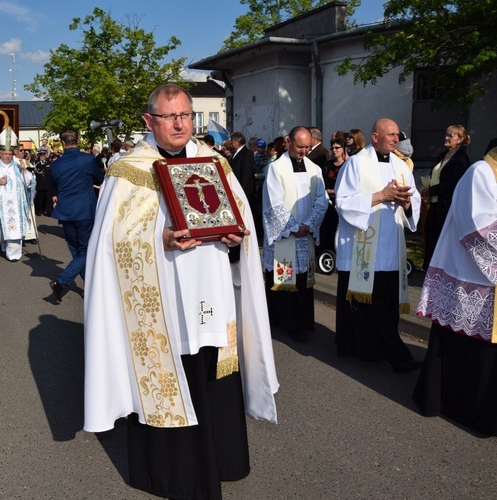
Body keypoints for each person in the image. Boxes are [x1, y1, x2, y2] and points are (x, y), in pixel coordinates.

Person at [83, 84, 278, 499]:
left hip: (212, 293)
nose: (179, 124)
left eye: (186, 115)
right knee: (175, 374)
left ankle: (223, 460)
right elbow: (111, 245)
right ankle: (175, 475)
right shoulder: (128, 170)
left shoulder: (214, 162)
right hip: (166, 306)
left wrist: (235, 238)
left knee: (214, 377)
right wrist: (162, 239)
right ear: (148, 121)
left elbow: (240, 220)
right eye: (170, 116)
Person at [413, 147, 497, 436]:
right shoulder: (480, 172)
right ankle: (461, 407)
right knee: (470, 347)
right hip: (471, 275)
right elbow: (479, 226)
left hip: (484, 279)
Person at [334, 118, 421, 373]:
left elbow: (413, 199)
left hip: (391, 247)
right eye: (391, 135)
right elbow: (343, 202)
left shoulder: (401, 166)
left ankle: (382, 348)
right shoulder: (356, 163)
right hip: (365, 246)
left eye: (397, 135)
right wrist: (381, 196)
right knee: (366, 307)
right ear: (374, 137)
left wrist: (406, 202)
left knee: (386, 305)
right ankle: (391, 354)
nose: (396, 139)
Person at [262, 126, 329, 340]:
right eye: (300, 146)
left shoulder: (313, 168)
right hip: (286, 236)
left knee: (302, 279)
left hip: (305, 233)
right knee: (285, 277)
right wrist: (292, 227)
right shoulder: (277, 168)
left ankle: (304, 321)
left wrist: (309, 224)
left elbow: (322, 199)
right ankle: (287, 323)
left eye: (308, 147)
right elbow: (274, 203)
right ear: (288, 142)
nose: (304, 151)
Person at [47, 129, 104, 302]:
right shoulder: (87, 159)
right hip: (85, 210)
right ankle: (62, 281)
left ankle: (88, 288)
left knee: (77, 251)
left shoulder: (56, 164)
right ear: (77, 141)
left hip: (66, 211)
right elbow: (101, 178)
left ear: (63, 143)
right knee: (85, 251)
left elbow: (54, 186)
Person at [0, 128, 35, 262]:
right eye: (5, 154)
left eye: (10, 154)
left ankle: (14, 254)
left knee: (15, 230)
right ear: (0, 154)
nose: (8, 156)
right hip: (1, 205)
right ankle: (5, 247)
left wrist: (25, 171)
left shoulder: (18, 167)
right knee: (3, 231)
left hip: (17, 204)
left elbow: (29, 182)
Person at [421, 124, 471, 270]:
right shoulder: (443, 155)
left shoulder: (461, 159)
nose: (446, 138)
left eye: (451, 136)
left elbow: (454, 183)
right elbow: (436, 175)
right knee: (430, 233)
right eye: (446, 134)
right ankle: (429, 267)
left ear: (460, 139)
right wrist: (428, 189)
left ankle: (442, 268)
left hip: (447, 205)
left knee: (443, 237)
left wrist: (433, 191)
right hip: (436, 203)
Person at [228, 131, 256, 205]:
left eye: (232, 141)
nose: (231, 143)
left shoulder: (247, 153)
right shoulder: (235, 153)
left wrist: (242, 193)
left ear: (237, 142)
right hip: (234, 187)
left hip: (242, 189)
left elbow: (247, 175)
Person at [33, 150, 54, 217]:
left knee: (48, 199)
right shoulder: (36, 163)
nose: (42, 157)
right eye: (41, 155)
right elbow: (37, 171)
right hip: (40, 183)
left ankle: (49, 211)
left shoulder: (49, 163)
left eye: (43, 155)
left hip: (47, 183)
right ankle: (39, 210)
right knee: (40, 198)